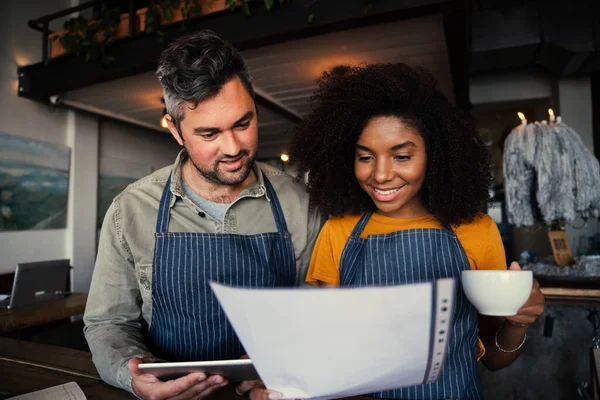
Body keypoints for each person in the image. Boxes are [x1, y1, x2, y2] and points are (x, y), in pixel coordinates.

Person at [83, 30, 323, 400]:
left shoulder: (300, 203)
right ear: (175, 129)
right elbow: (108, 323)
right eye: (209, 133)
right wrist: (132, 375)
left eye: (243, 124)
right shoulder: (130, 210)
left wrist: (287, 357)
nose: (233, 148)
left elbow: (319, 309)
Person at [287, 63, 545, 399]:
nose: (380, 175)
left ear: (434, 156)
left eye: (402, 156)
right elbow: (327, 353)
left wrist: (518, 323)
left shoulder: (477, 231)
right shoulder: (339, 231)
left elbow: (494, 360)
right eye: (365, 157)